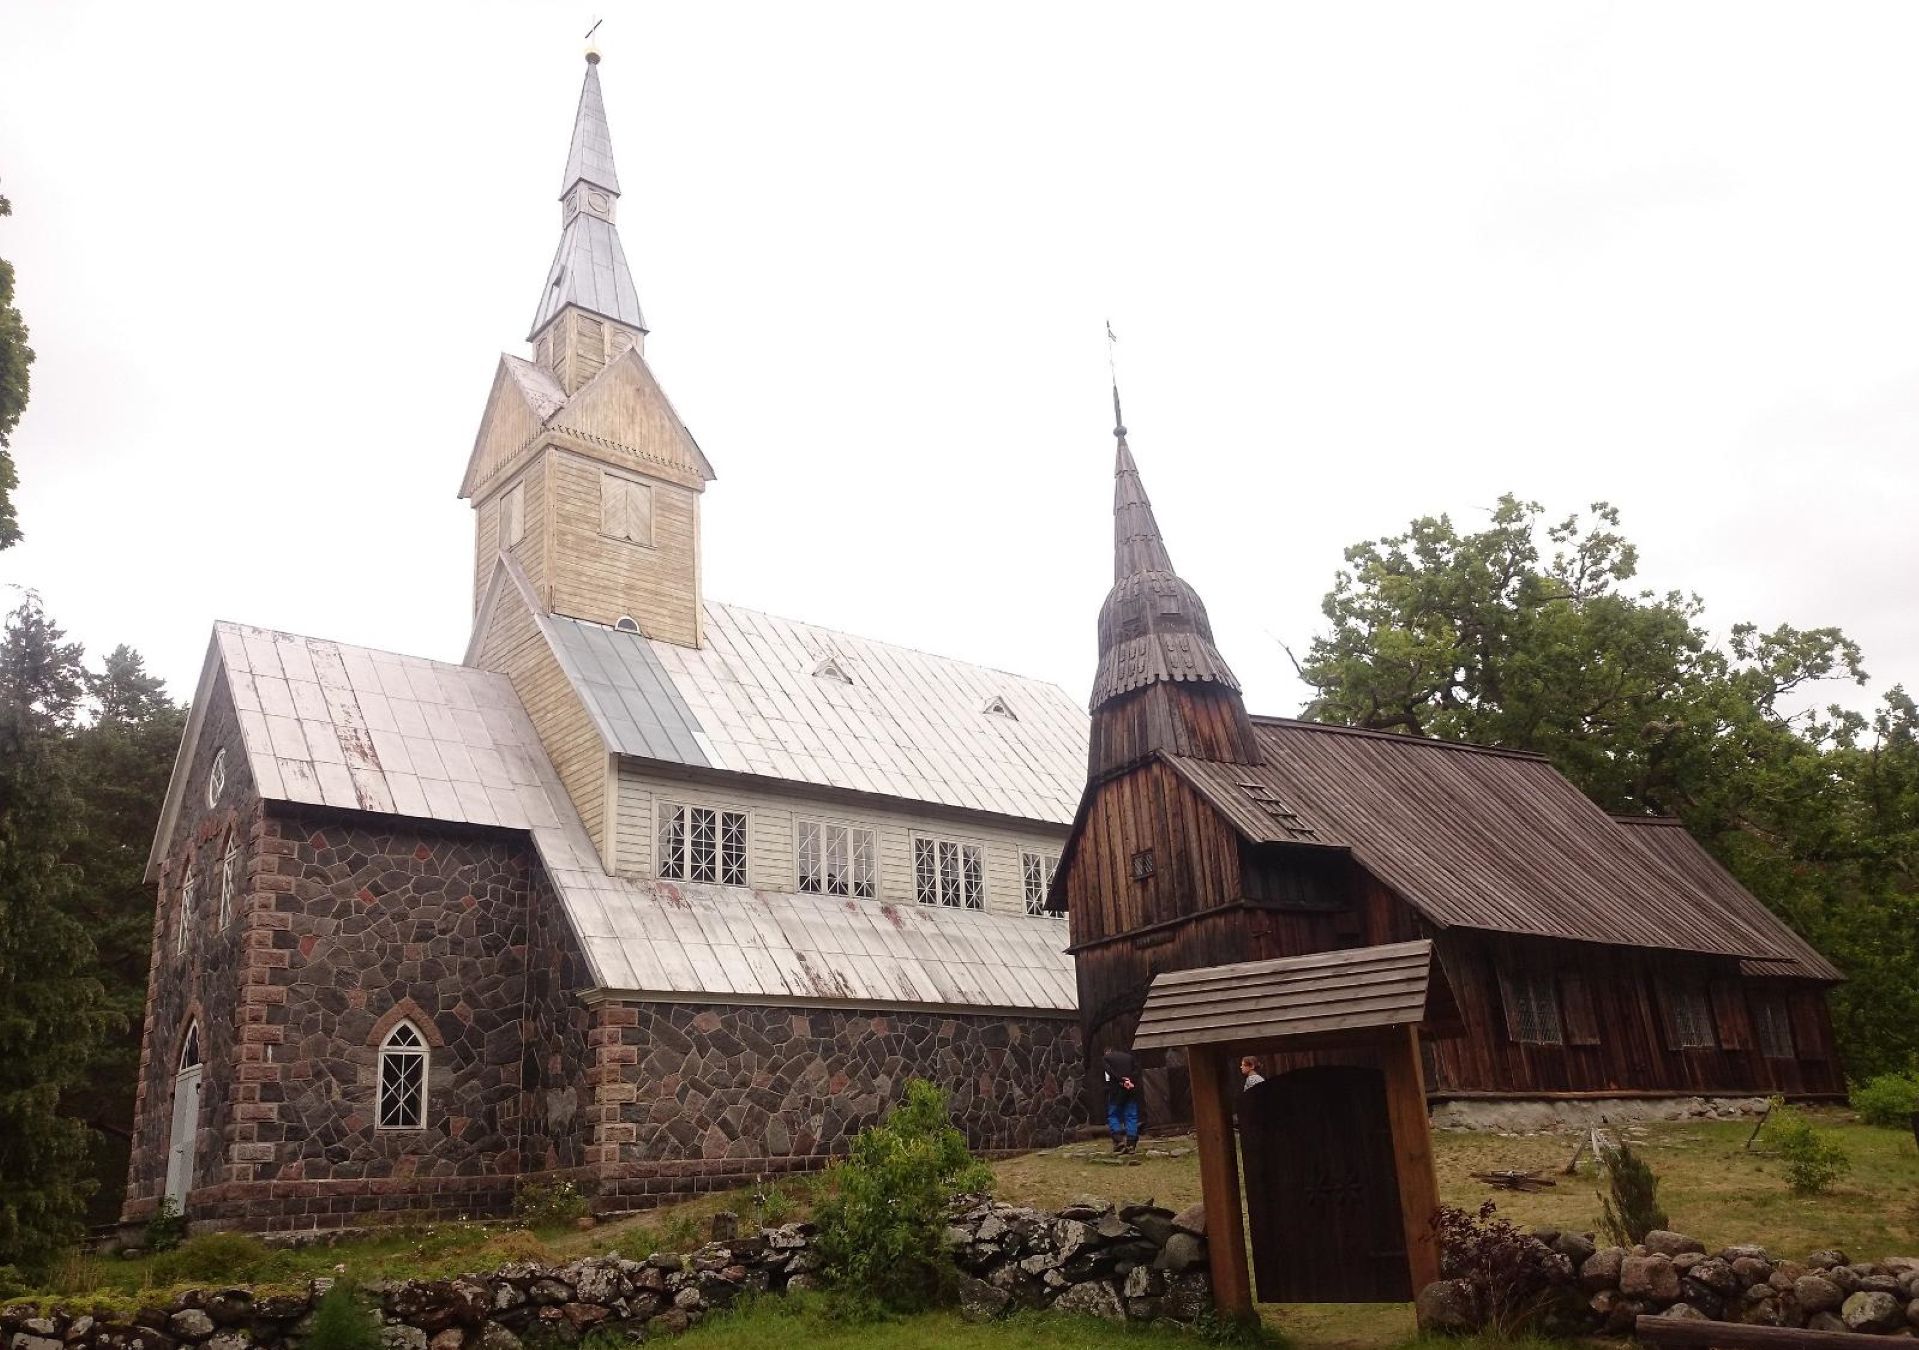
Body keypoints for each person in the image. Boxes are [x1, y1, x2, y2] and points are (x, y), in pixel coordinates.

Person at [1103, 1046, 1142, 1154]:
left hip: (1116, 1092)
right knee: (1131, 1116)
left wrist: (1121, 1081)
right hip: (1130, 1089)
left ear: (1107, 1052)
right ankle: (1131, 1144)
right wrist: (1130, 1081)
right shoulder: (1129, 1057)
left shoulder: (1106, 1059)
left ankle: (1118, 1139)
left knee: (1113, 1115)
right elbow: (1137, 1070)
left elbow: (1109, 1073)